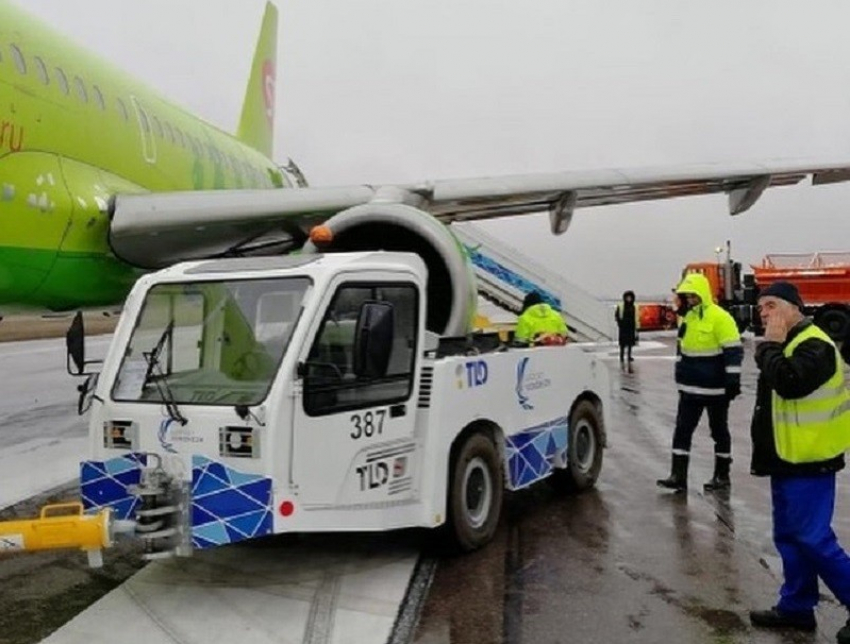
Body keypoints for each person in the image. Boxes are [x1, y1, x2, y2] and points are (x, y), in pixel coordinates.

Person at [748, 281, 850, 641]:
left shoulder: (814, 345)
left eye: (772, 306)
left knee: (814, 538)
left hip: (810, 459)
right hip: (788, 458)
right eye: (761, 309)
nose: (765, 314)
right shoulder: (792, 343)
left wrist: (769, 349)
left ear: (794, 307)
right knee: (789, 537)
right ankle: (797, 606)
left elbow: (789, 382)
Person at [656, 272, 743, 492]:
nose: (690, 300)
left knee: (718, 431)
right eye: (687, 297)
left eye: (693, 296)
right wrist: (679, 373)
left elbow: (733, 350)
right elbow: (681, 350)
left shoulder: (720, 317)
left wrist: (733, 379)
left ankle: (722, 475)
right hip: (689, 389)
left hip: (716, 389)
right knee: (682, 431)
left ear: (703, 294)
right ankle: (678, 476)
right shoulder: (687, 319)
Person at [615, 290, 638, 367]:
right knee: (622, 343)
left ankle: (629, 356)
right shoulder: (621, 306)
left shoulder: (634, 307)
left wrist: (636, 327)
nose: (629, 299)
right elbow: (617, 315)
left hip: (631, 327)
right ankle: (621, 356)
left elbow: (636, 317)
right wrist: (620, 323)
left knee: (630, 343)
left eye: (630, 297)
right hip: (623, 327)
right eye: (627, 297)